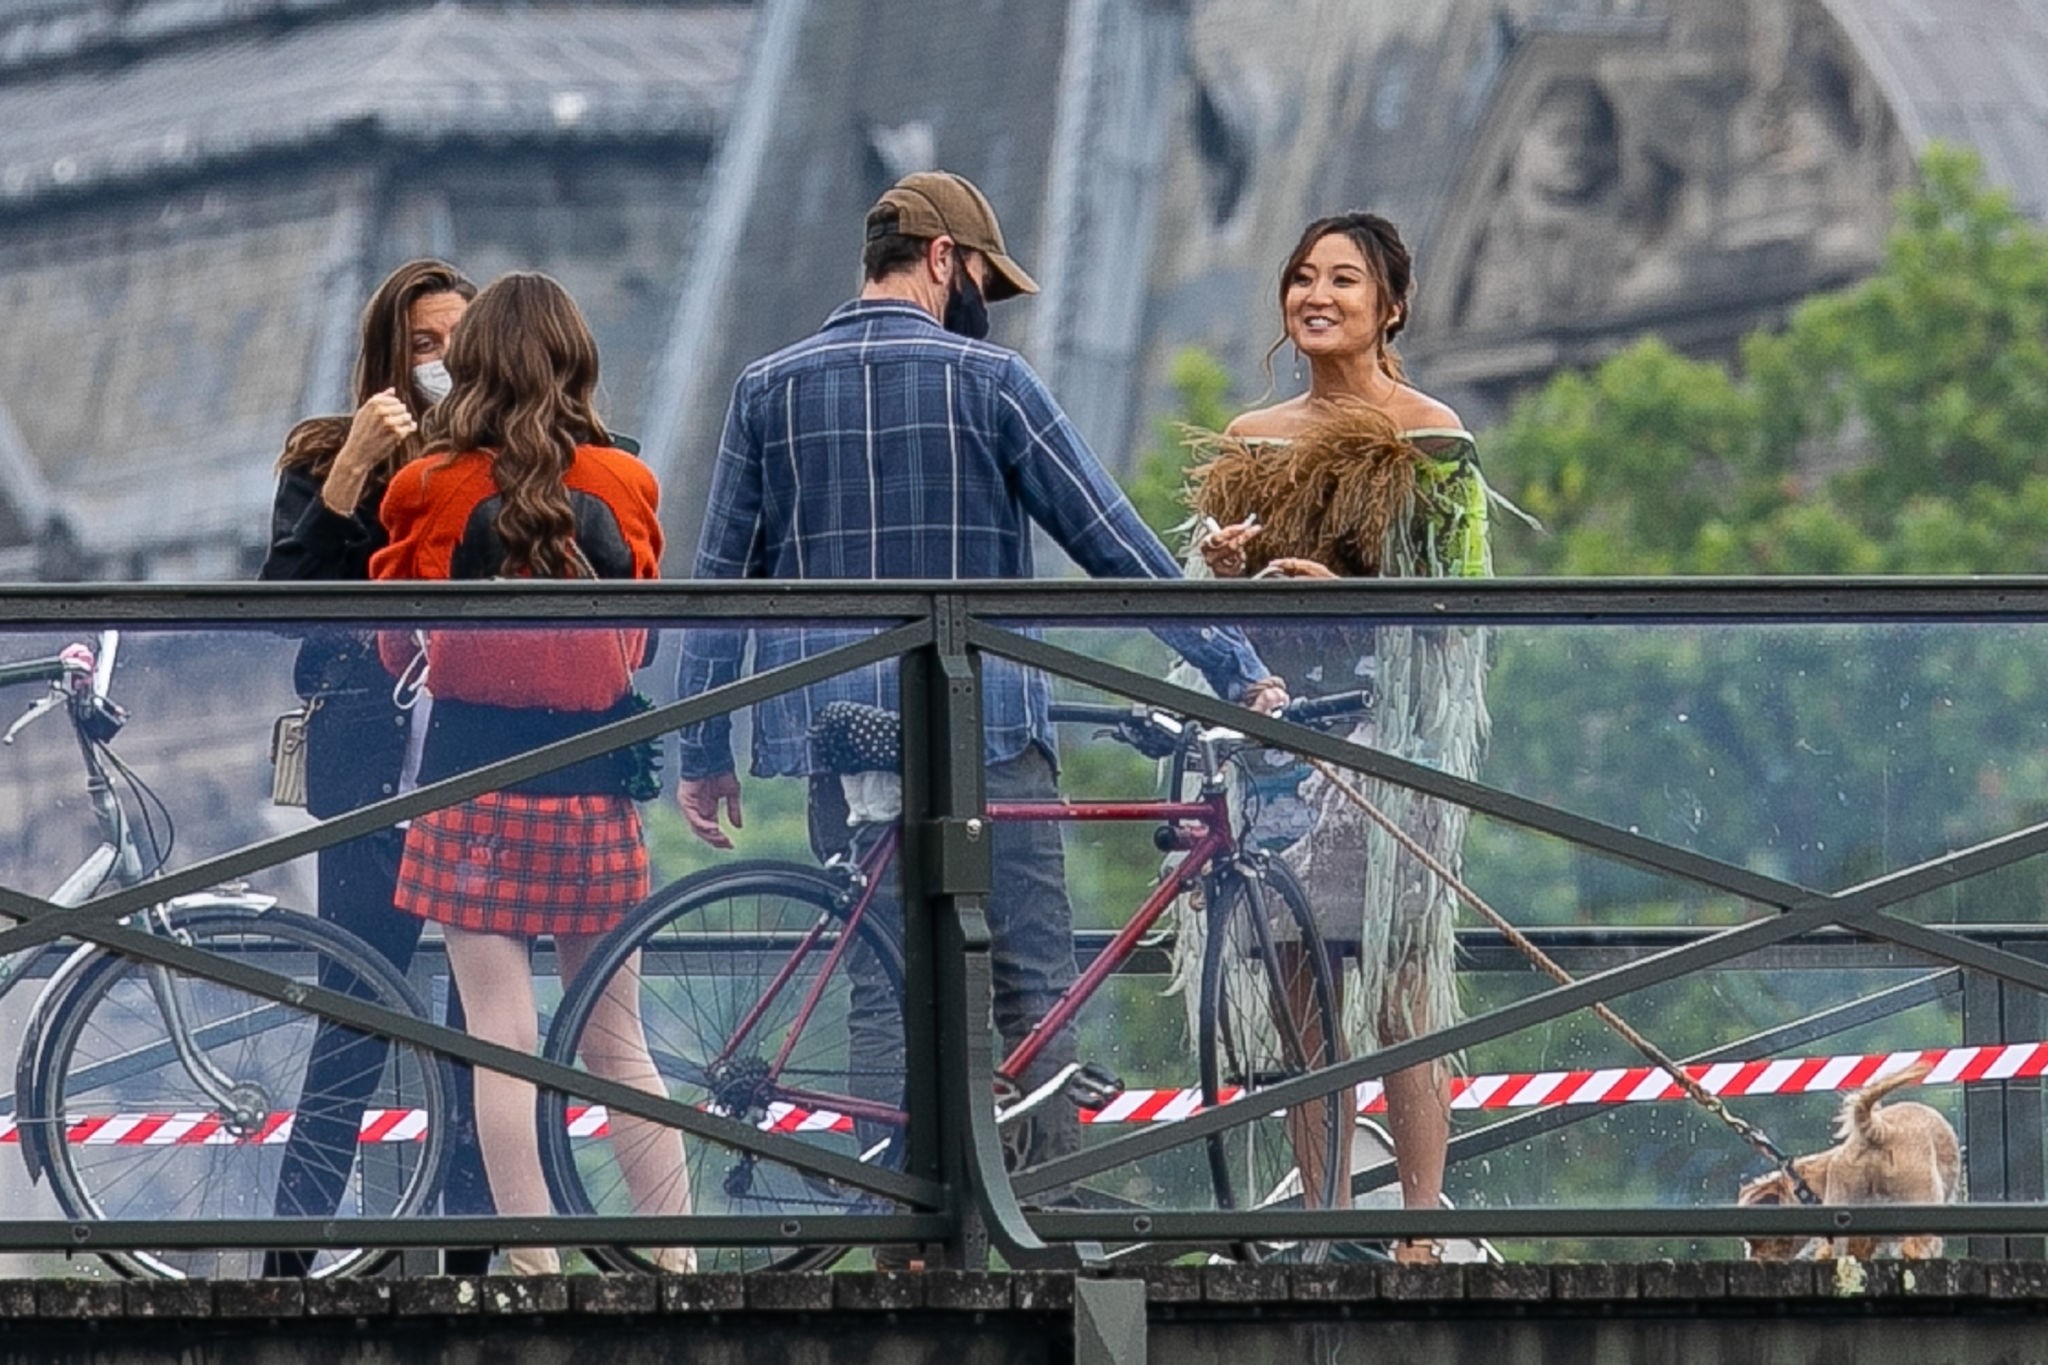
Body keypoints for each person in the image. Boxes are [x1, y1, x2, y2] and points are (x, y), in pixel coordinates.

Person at [674, 170, 1288, 1176]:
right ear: (941, 260)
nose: (983, 311)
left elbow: (717, 584)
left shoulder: (764, 389)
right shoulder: (989, 385)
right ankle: (1042, 1220)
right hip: (985, 735)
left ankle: (897, 1232)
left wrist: (704, 749)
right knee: (1029, 987)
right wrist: (1229, 662)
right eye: (981, 285)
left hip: (841, 741)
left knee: (884, 985)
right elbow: (1113, 547)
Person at [370, 271, 688, 1274]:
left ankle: (532, 1267)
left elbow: (394, 647)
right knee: (617, 1047)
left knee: (500, 1043)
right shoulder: (627, 484)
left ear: (465, 368)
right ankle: (675, 1265)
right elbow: (636, 645)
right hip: (591, 783)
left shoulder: (424, 487)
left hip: (469, 788)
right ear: (574, 361)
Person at [1191, 212, 1493, 1261]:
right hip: (1273, 737)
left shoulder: (1430, 434)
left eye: (1343, 280)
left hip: (1386, 737)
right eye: (1301, 278)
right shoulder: (1249, 439)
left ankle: (1415, 1229)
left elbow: (1468, 604)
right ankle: (1320, 1225)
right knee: (1293, 982)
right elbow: (1206, 626)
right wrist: (1226, 575)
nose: (1315, 296)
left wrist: (1354, 592)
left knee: (1403, 981)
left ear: (1389, 305)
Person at [258, 258, 493, 1277]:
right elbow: (282, 606)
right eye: (425, 348)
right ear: (388, 363)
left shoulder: (510, 457)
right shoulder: (326, 456)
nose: (444, 365)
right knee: (354, 1004)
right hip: (366, 763)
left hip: (481, 753)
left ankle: (474, 1257)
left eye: (461, 344)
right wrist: (353, 466)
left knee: (485, 1016)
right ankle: (286, 1259)